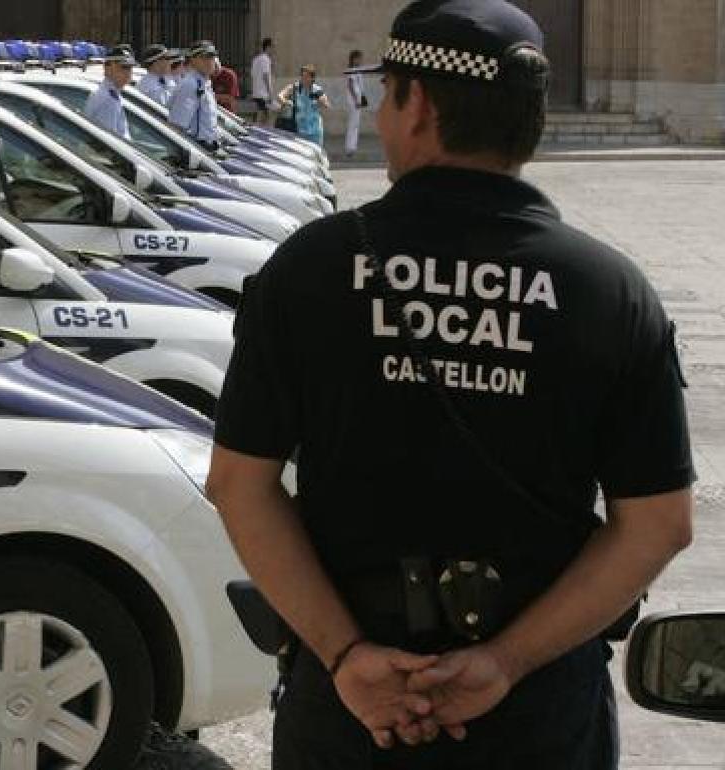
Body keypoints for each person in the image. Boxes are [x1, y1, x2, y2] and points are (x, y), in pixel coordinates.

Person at [207, 1, 695, 769]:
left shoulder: (311, 269)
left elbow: (239, 484)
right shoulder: (609, 291)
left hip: (353, 713)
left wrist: (346, 657)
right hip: (535, 715)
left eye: (387, 91)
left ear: (420, 106)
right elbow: (658, 523)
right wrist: (506, 661)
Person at [169, 40, 222, 151]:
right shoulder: (190, 84)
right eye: (204, 58)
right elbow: (177, 126)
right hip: (197, 147)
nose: (209, 62)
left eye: (212, 57)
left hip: (208, 146)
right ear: (193, 60)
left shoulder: (204, 82)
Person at [84, 45, 136, 140]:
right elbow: (109, 141)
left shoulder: (113, 93)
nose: (128, 73)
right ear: (107, 68)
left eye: (130, 68)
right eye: (124, 67)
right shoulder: (106, 98)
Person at [277, 65, 330, 146]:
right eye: (302, 76)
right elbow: (280, 95)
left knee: (315, 153)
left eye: (306, 76)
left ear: (312, 78)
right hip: (300, 130)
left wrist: (320, 101)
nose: (303, 79)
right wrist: (286, 102)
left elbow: (327, 105)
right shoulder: (295, 87)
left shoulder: (317, 90)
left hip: (315, 131)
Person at [137, 43, 177, 108]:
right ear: (156, 63)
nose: (170, 62)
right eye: (167, 59)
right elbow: (168, 104)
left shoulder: (167, 79)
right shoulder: (147, 84)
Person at [345, 49, 367, 157]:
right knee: (353, 124)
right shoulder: (351, 70)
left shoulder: (358, 70)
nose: (359, 60)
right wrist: (355, 100)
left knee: (356, 124)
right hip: (354, 101)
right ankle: (350, 148)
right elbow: (350, 86)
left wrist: (362, 98)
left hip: (358, 99)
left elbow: (360, 86)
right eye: (357, 58)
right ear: (353, 59)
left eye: (360, 58)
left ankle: (353, 146)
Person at [250, 37, 276, 126]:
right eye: (273, 47)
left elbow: (253, 75)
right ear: (268, 47)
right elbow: (266, 76)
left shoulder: (255, 59)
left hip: (256, 92)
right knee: (266, 116)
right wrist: (270, 93)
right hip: (263, 94)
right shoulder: (266, 59)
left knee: (262, 114)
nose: (274, 50)